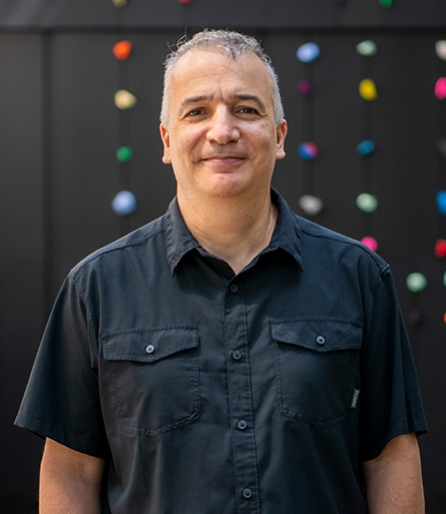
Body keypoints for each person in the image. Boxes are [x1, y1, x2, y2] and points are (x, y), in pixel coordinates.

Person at [16, 29, 427, 513]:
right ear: (167, 140)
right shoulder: (97, 287)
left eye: (247, 109)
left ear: (278, 137)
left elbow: (390, 457)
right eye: (197, 111)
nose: (223, 130)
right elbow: (70, 470)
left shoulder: (359, 277)